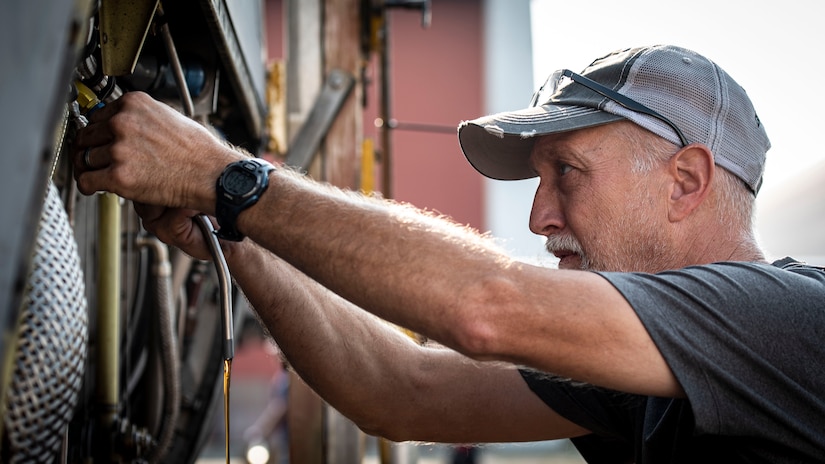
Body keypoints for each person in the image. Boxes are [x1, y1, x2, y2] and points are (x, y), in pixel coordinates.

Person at [73, 45, 825, 462]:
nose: (538, 217)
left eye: (566, 173)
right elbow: (403, 390)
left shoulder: (791, 321)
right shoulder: (645, 373)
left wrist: (229, 177)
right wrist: (242, 242)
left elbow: (487, 307)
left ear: (685, 181)